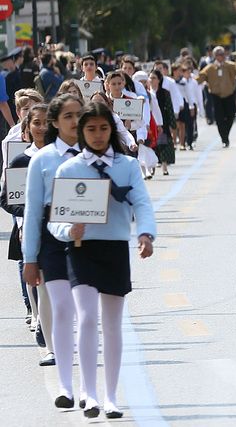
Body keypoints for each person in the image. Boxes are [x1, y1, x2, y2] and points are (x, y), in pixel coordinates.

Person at [48, 102, 155, 419]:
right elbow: (55, 221)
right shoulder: (69, 169)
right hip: (82, 250)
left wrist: (146, 235)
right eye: (91, 129)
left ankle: (110, 396)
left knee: (112, 324)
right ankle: (88, 393)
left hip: (115, 249)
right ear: (81, 131)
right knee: (87, 318)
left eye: (103, 128)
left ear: (112, 130)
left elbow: (143, 203)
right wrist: (69, 229)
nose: (97, 135)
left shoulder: (128, 166)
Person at [21, 94, 83, 411]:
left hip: (90, 238)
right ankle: (65, 384)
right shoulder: (42, 160)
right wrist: (29, 258)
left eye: (78, 115)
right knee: (60, 307)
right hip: (51, 238)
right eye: (68, 116)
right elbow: (32, 213)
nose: (75, 122)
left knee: (85, 314)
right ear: (55, 123)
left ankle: (88, 387)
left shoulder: (95, 155)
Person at [2, 102, 54, 366]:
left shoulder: (64, 157)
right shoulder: (21, 160)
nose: (42, 127)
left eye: (47, 122)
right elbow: (7, 198)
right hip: (33, 230)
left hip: (64, 232)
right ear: (27, 129)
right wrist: (25, 219)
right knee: (42, 286)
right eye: (36, 123)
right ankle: (47, 340)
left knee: (62, 290)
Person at [195, 46, 236, 147]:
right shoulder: (210, 68)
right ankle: (224, 139)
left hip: (229, 94)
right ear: (214, 56)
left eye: (222, 54)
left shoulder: (230, 65)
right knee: (219, 118)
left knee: (231, 115)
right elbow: (200, 77)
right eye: (218, 55)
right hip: (216, 95)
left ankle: (225, 134)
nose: (220, 56)